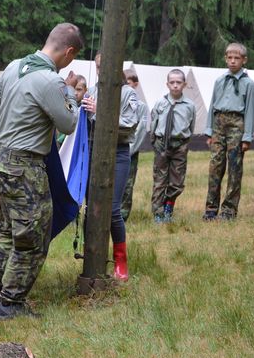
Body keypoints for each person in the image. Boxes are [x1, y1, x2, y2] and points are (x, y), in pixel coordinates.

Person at [0, 23, 82, 320]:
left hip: (1, 160)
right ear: (69, 52)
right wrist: (70, 92)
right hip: (25, 167)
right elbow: (69, 124)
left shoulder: (14, 66)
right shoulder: (52, 81)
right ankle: (11, 304)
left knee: (7, 230)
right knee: (32, 238)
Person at [81, 58, 140, 281]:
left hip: (118, 152)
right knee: (91, 207)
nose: (101, 70)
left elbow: (130, 124)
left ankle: (120, 259)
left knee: (113, 209)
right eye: (98, 66)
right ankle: (91, 256)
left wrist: (100, 111)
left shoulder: (127, 93)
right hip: (92, 150)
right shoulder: (91, 91)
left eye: (106, 65)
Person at [203, 43, 254, 221]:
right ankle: (211, 209)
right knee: (215, 166)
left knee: (234, 167)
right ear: (225, 58)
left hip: (236, 124)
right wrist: (209, 131)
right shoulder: (219, 81)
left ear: (244, 60)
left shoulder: (248, 84)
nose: (233, 61)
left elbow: (250, 111)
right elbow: (212, 105)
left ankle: (229, 210)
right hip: (219, 123)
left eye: (237, 58)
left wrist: (247, 137)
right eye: (230, 58)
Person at [149, 69, 197, 223]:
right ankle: (158, 212)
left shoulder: (190, 105)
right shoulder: (160, 103)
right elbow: (154, 122)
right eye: (172, 82)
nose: (175, 85)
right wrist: (155, 141)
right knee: (160, 179)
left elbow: (191, 126)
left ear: (184, 84)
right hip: (162, 143)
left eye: (179, 82)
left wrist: (184, 142)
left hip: (180, 144)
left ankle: (168, 206)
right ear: (167, 84)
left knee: (177, 182)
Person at [121, 70, 149, 222]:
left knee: (127, 184)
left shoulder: (141, 106)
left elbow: (140, 131)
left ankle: (122, 215)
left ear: (135, 84)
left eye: (128, 83)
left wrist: (130, 150)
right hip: (115, 150)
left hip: (129, 150)